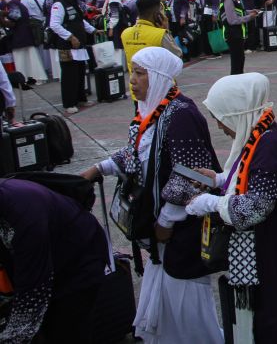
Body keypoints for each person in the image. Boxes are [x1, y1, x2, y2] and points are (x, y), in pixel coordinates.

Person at [80, 47, 223, 344]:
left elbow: (191, 175)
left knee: (185, 298)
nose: (131, 80)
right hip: (161, 228)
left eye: (140, 73)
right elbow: (136, 153)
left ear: (158, 77)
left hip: (182, 227)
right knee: (168, 297)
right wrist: (100, 168)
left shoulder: (182, 114)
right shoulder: (148, 109)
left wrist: (167, 221)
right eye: (131, 71)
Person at [185, 73, 277, 343]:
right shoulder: (258, 134)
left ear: (239, 112)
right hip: (266, 249)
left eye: (222, 117)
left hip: (274, 255)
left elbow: (255, 207)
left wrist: (209, 202)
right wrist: (219, 179)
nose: (221, 126)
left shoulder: (268, 144)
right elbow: (248, 174)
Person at [0, 179, 108, 343]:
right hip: (36, 257)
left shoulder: (25, 218)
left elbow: (31, 296)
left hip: (79, 260)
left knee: (64, 330)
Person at [49, 0, 101, 114]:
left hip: (79, 45)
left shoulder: (73, 2)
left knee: (80, 72)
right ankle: (69, 103)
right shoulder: (59, 4)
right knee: (69, 75)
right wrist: (70, 37)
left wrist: (93, 30)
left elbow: (80, 21)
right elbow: (54, 24)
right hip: (67, 46)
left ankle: (80, 98)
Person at [121, 0, 182, 76]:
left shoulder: (125, 34)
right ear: (156, 14)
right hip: (159, 86)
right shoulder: (160, 35)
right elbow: (178, 56)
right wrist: (167, 30)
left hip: (136, 85)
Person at [1, 0, 47, 84]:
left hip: (19, 36)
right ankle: (37, 78)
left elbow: (14, 19)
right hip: (26, 35)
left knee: (20, 59)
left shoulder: (13, 4)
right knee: (32, 58)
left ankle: (24, 78)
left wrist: (2, 18)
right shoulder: (20, 4)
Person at [220, 0, 259, 75]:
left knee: (240, 62)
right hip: (233, 34)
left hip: (238, 34)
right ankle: (234, 87)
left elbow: (239, 12)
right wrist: (249, 18)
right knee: (237, 65)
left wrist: (250, 12)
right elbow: (232, 20)